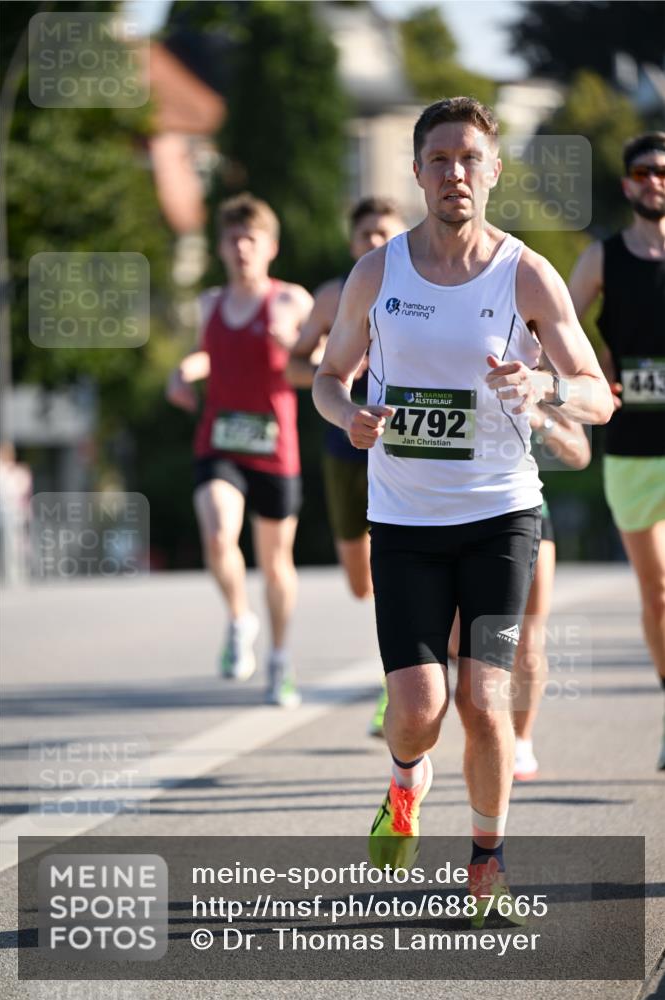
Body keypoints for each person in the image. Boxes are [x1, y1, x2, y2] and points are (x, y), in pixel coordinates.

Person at [313, 96, 613, 921]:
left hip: (501, 517)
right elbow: (327, 377)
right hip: (405, 523)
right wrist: (351, 416)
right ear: (416, 173)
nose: (454, 173)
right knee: (415, 714)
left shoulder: (525, 272)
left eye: (469, 158)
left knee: (484, 701)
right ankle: (405, 783)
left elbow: (596, 395)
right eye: (438, 159)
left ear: (493, 171)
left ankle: (486, 865)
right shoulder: (379, 273)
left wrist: (542, 382)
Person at [167, 193, 312, 707]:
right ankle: (238, 618)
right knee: (217, 532)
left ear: (270, 246)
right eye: (233, 239)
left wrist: (291, 341)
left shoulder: (291, 300)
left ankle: (280, 660)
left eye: (251, 238)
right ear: (221, 248)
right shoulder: (208, 303)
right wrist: (184, 372)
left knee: (276, 566)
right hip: (220, 440)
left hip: (275, 447)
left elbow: (316, 359)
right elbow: (210, 354)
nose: (242, 247)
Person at [286, 197, 406, 736]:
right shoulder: (336, 295)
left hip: (404, 451)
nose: (374, 244)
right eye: (365, 236)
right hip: (344, 447)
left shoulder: (420, 286)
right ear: (351, 242)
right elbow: (294, 365)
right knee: (363, 583)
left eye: (384, 233)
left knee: (398, 571)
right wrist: (332, 368)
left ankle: (399, 684)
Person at [569, 132, 665, 769]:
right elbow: (555, 324)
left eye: (663, 172)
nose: (654, 181)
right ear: (627, 183)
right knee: (656, 591)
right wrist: (589, 367)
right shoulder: (601, 258)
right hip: (632, 445)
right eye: (642, 172)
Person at [448, 394, 592, 781]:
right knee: (461, 640)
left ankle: (521, 741)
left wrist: (538, 419)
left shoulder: (537, 376)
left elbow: (580, 454)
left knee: (528, 637)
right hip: (449, 513)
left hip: (522, 515)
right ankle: (485, 730)